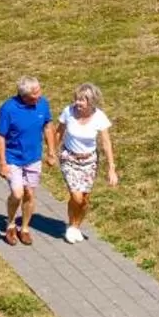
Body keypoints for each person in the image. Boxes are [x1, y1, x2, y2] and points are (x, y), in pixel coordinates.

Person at [0, 75, 53, 245]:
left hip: (33, 158)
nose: (39, 95)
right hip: (13, 159)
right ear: (24, 95)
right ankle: (10, 225)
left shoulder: (43, 104)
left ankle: (24, 228)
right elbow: (1, 136)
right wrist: (2, 163)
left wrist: (51, 152)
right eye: (35, 93)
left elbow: (48, 127)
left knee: (29, 194)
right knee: (17, 193)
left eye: (39, 90)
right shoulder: (8, 109)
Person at [56, 83, 118, 244]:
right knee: (76, 196)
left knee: (84, 199)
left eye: (82, 100)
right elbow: (59, 131)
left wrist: (111, 168)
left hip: (89, 161)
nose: (78, 103)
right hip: (69, 158)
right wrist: (50, 152)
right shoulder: (68, 112)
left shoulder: (99, 117)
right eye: (77, 99)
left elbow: (106, 143)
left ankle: (76, 226)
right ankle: (71, 226)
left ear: (92, 102)